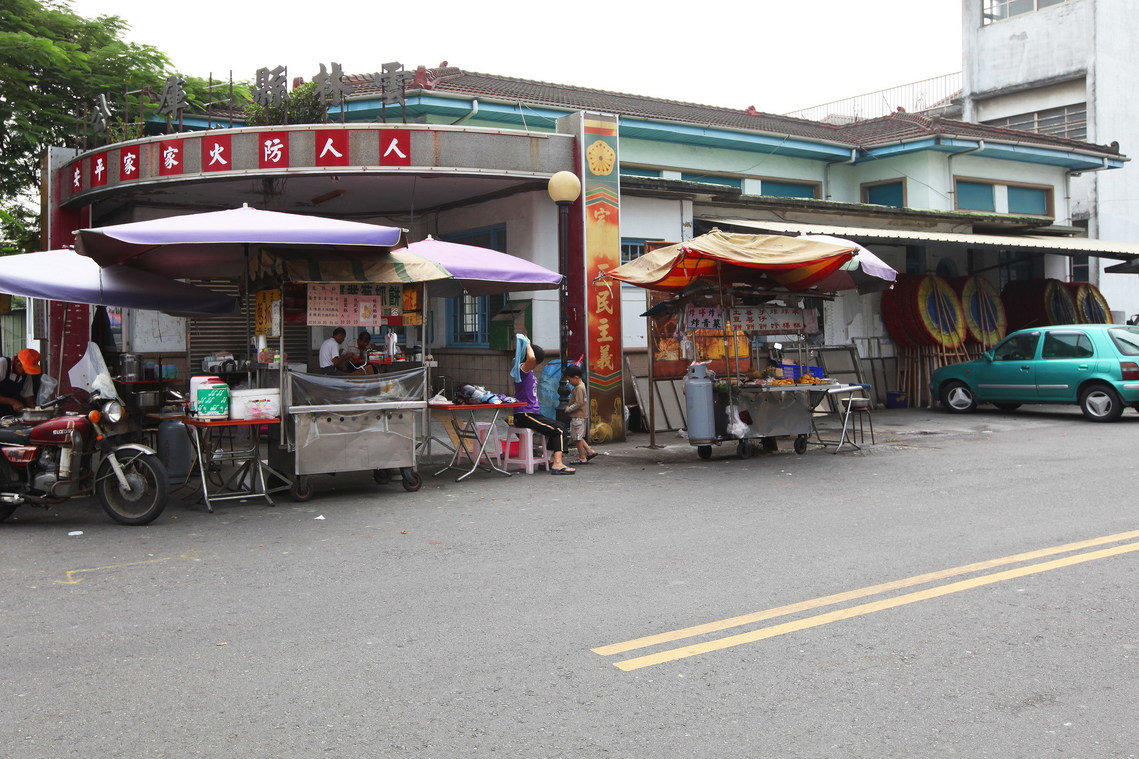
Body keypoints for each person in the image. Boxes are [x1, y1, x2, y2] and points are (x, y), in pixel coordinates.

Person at [512, 341, 574, 474]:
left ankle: (552, 461)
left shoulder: (527, 372)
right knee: (558, 429)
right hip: (525, 414)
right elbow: (532, 358)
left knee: (560, 426)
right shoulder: (522, 369)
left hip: (533, 413)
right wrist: (527, 344)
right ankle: (557, 464)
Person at [563, 364, 599, 464]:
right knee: (578, 436)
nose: (569, 382)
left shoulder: (579, 388)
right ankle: (589, 451)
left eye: (570, 380)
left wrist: (569, 409)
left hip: (577, 416)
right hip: (579, 416)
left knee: (577, 438)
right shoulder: (581, 386)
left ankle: (582, 457)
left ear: (576, 377)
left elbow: (578, 403)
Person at [0, 348, 41, 415]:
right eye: (25, 369)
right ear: (17, 361)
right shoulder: (2, 364)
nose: (26, 372)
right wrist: (12, 402)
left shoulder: (26, 374)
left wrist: (37, 411)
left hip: (7, 413)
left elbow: (28, 397)